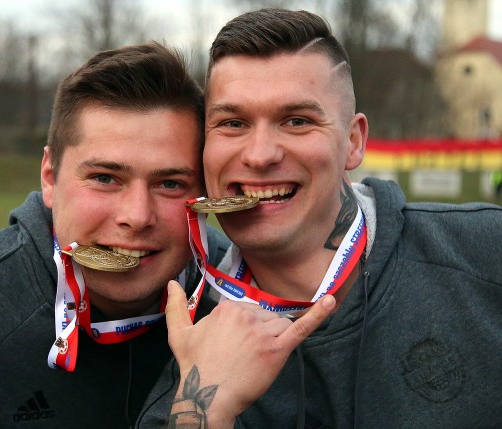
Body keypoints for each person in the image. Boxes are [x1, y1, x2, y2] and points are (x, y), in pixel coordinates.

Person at [138, 9, 502, 429]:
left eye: (297, 121)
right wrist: (207, 409)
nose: (260, 154)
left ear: (353, 142)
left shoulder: (483, 253)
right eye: (233, 123)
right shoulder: (192, 355)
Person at [0, 42, 229, 428]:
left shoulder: (246, 304)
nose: (137, 216)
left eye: (170, 184)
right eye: (105, 178)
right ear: (49, 178)